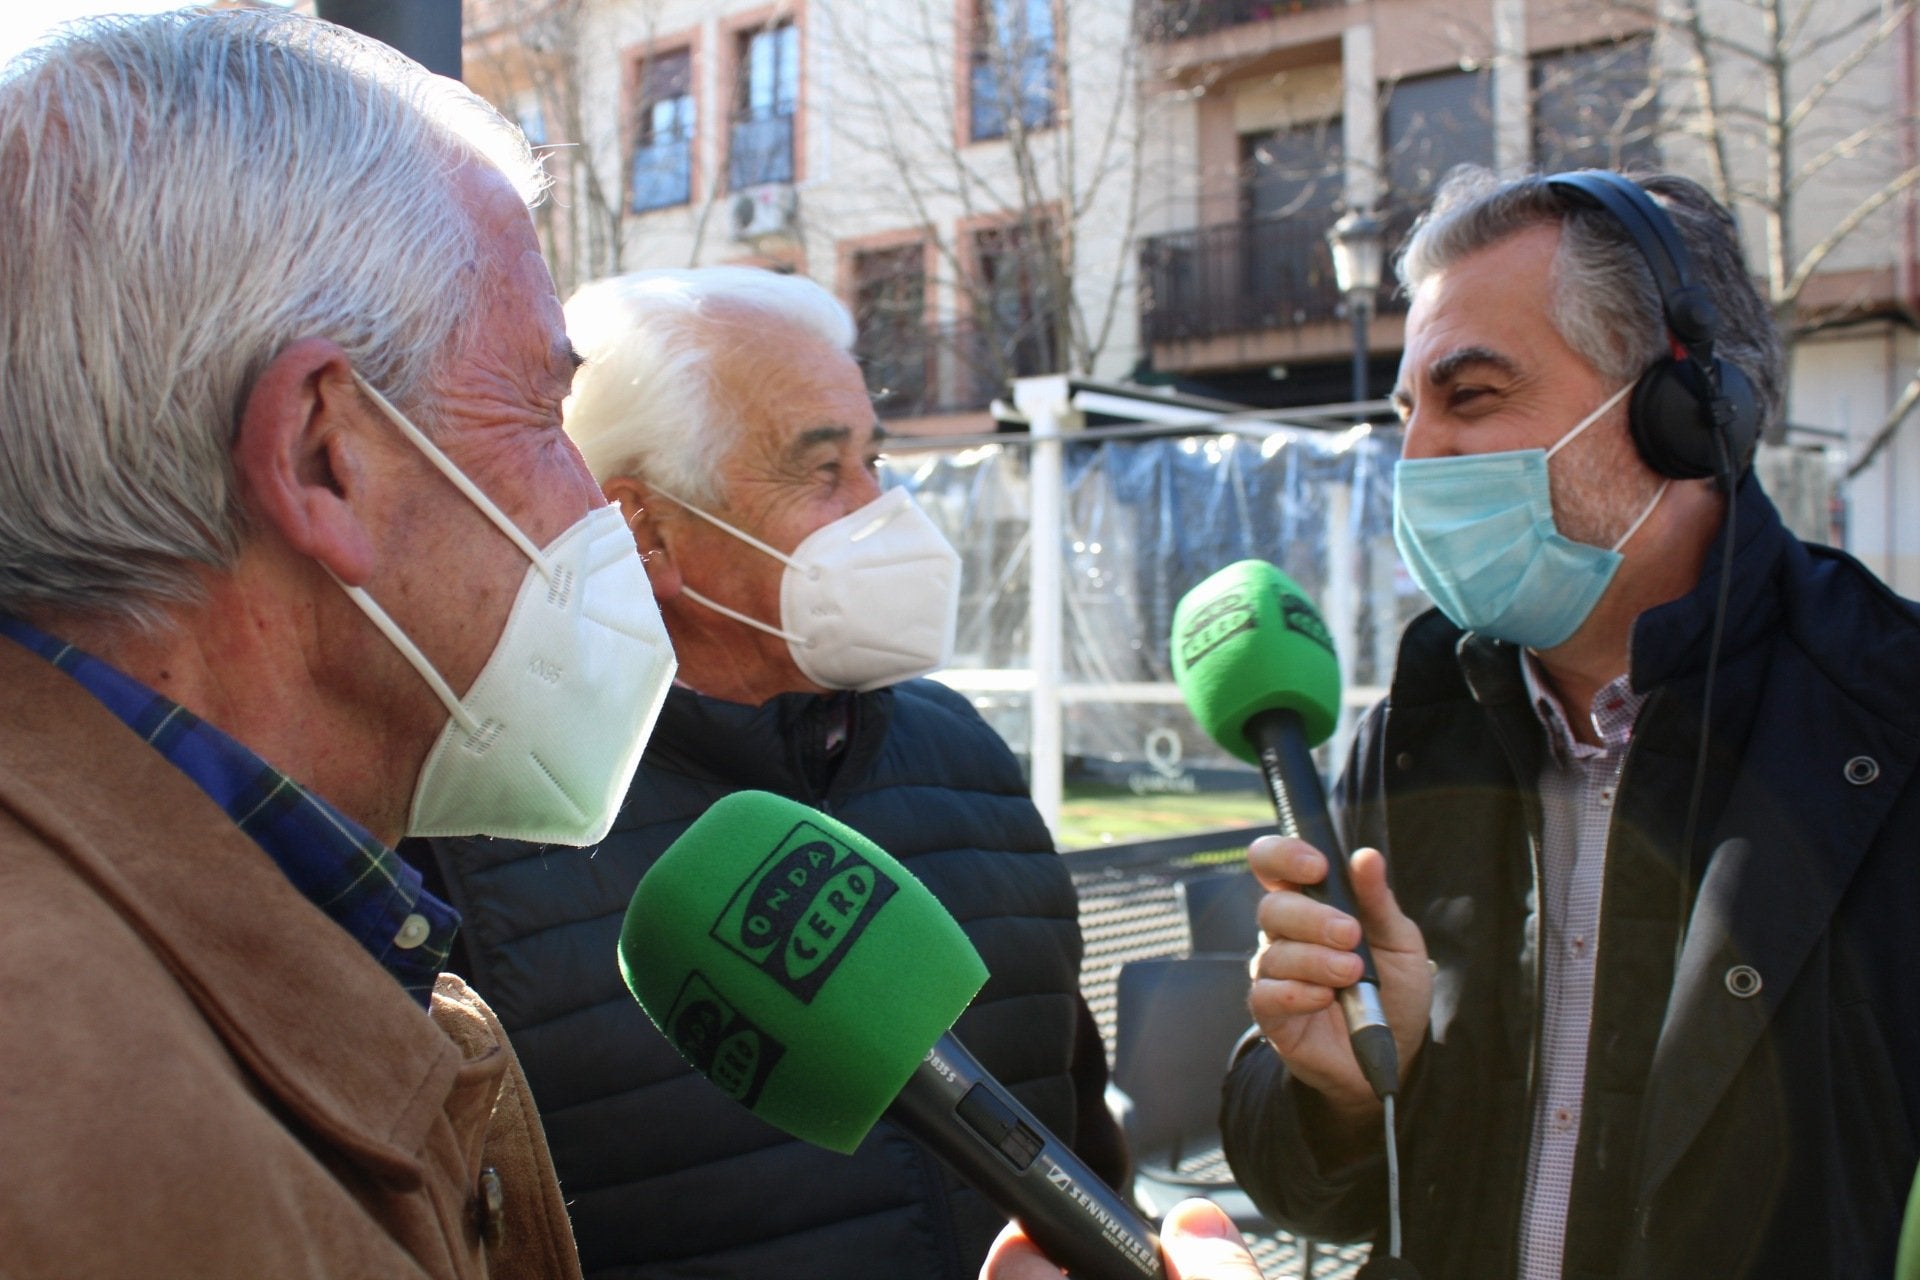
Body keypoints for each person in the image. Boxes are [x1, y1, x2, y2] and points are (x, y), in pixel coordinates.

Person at [0, 12, 678, 1277]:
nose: (598, 511)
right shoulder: (76, 1117)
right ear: (328, 456)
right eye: (543, 408)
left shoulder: (322, 945)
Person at [1222, 167, 1920, 1279]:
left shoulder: (1889, 719)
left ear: (1690, 411)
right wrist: (1339, 1094)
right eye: (1408, 410)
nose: (1418, 460)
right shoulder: (1410, 730)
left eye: (1474, 396)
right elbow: (1317, 1189)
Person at [418, 267, 1128, 1280]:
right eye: (824, 469)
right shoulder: (482, 829)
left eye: (874, 459)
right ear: (644, 531)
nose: (883, 514)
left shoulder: (966, 755)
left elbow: (1078, 1141)